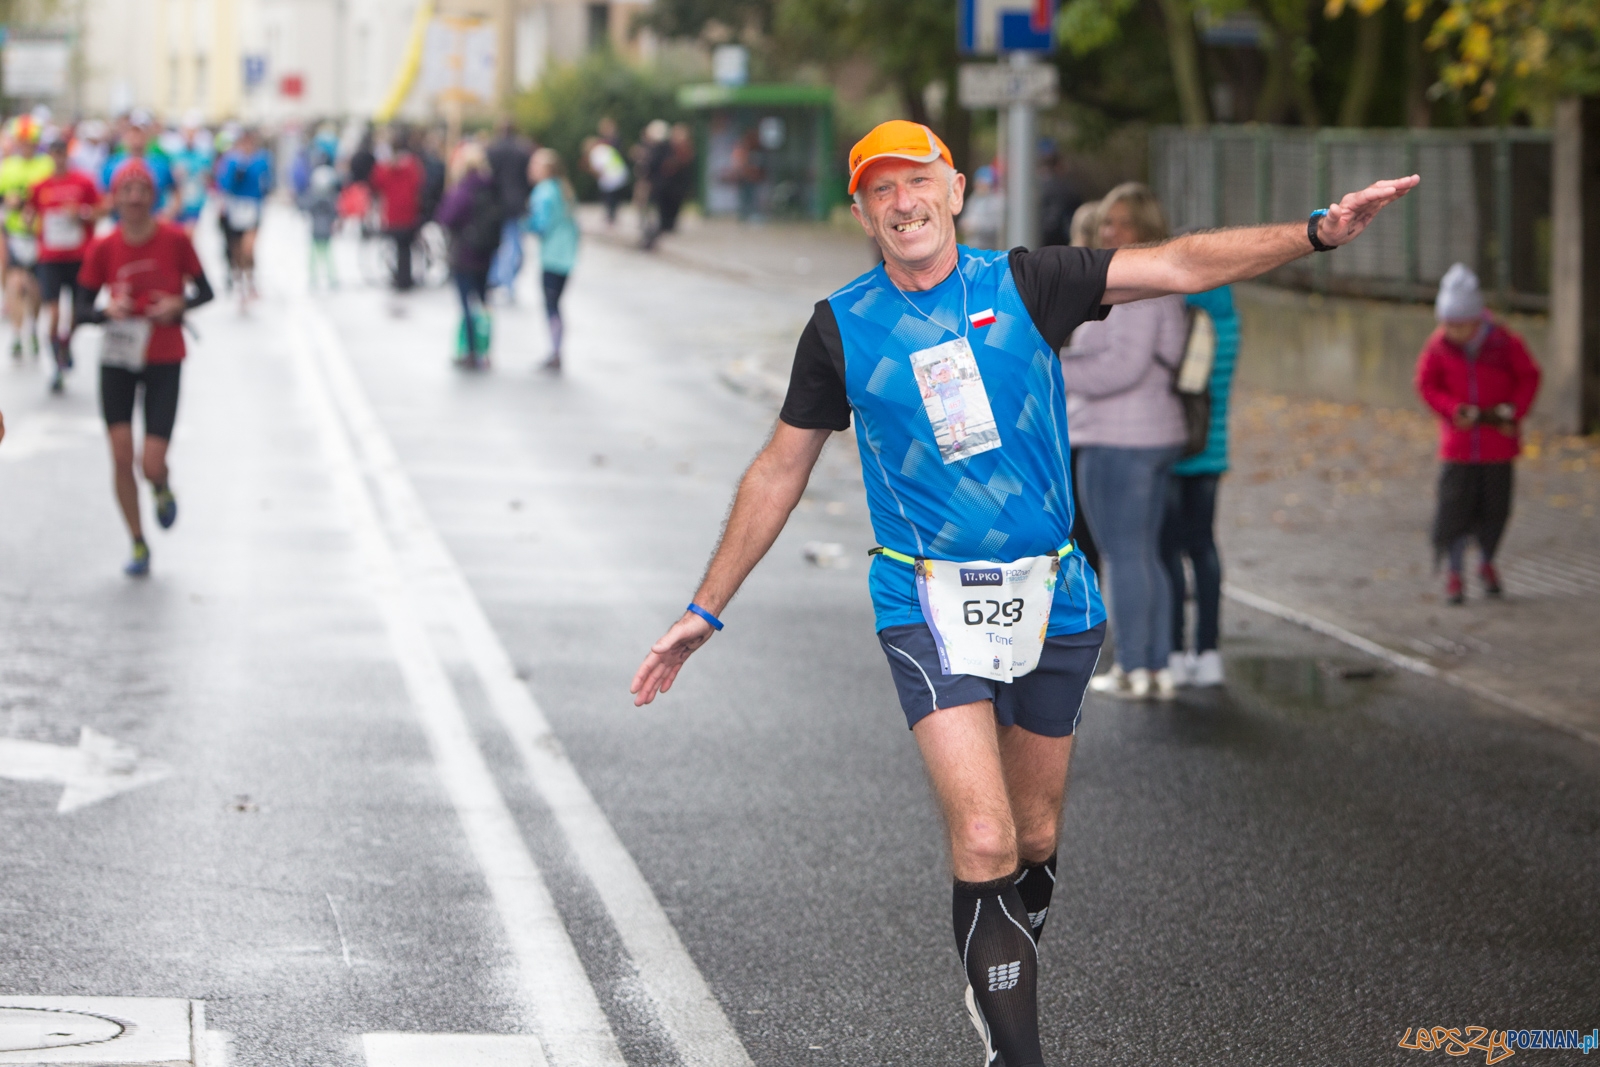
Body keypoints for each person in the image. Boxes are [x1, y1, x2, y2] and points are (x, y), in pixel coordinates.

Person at [629, 119, 1415, 1067]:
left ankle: (996, 967)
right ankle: (1018, 1051)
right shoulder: (839, 325)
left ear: (956, 189)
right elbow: (778, 469)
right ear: (861, 211)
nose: (903, 202)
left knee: (1034, 837)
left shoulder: (1028, 284)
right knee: (987, 833)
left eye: (917, 181)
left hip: (1055, 595)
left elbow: (1175, 266)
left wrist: (1319, 230)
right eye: (880, 190)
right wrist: (703, 609)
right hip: (924, 598)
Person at [1060, 184, 1190, 701]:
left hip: (1120, 437)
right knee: (1147, 553)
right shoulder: (1168, 280)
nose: (1108, 231)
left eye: (1121, 223)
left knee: (1125, 555)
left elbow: (1123, 367)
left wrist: (1057, 368)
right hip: (1153, 435)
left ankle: (1134, 665)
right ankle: (1155, 665)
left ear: (1145, 228)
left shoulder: (1138, 285)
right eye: (1106, 223)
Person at [75, 159, 214, 577]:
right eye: (126, 190)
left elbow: (207, 291)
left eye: (142, 190)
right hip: (118, 359)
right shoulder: (103, 246)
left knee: (149, 463)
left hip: (164, 357)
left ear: (153, 198)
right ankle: (138, 542)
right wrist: (105, 312)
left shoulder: (175, 240)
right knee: (120, 457)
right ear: (115, 198)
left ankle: (161, 485)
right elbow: (81, 308)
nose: (134, 198)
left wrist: (179, 304)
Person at [1415, 263, 1540, 605]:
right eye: (1447, 323)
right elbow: (1426, 385)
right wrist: (1452, 410)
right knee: (1453, 512)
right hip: (1458, 448)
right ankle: (1454, 572)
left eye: (1459, 324)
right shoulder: (1438, 346)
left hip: (1498, 446)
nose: (1451, 330)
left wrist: (1513, 410)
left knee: (1494, 511)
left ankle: (1486, 561)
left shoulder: (1505, 342)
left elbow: (1529, 376)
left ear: (1476, 319)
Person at [1159, 282, 1239, 687]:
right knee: (1204, 546)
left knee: (1169, 550)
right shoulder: (1228, 318)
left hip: (1174, 449)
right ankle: (1209, 652)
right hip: (1212, 451)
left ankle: (1173, 651)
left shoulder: (1179, 313)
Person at [28, 136, 103, 392]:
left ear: (67, 155)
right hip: (50, 257)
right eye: (54, 152)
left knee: (76, 313)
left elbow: (101, 209)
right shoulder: (40, 186)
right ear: (50, 155)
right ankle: (57, 361)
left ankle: (66, 343)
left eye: (62, 152)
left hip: (79, 256)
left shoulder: (83, 181)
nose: (59, 157)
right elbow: (31, 215)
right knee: (54, 312)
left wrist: (81, 214)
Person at [435, 142, 501, 369]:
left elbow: (446, 217)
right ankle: (485, 348)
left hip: (465, 252)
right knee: (483, 303)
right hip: (487, 253)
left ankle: (471, 350)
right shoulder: (491, 187)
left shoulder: (463, 190)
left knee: (467, 304)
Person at [1, 117, 54, 360]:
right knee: (14, 284)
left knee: (34, 289)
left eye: (30, 142)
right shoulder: (7, 167)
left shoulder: (46, 165)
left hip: (40, 235)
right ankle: (16, 333)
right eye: (22, 142)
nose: (26, 146)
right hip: (15, 234)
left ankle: (32, 326)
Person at [526, 147, 579, 373]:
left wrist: (523, 223)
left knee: (551, 305)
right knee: (556, 304)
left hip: (552, 256)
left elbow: (540, 225)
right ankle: (557, 350)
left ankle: (555, 352)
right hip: (567, 255)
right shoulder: (563, 189)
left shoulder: (543, 192)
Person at [215, 128, 273, 306]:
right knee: (236, 249)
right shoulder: (230, 159)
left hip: (252, 207)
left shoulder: (262, 159)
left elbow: (268, 182)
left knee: (249, 248)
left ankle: (250, 280)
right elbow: (223, 184)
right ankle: (239, 281)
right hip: (234, 207)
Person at [369, 128, 426, 295]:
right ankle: (405, 278)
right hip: (409, 212)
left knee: (397, 248)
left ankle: (400, 278)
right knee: (405, 249)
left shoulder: (385, 167)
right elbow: (419, 184)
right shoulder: (412, 165)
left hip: (393, 214)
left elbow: (377, 183)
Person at [487, 120, 533, 300]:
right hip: (517, 203)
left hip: (497, 203)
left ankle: (495, 278)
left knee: (497, 243)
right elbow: (528, 179)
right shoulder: (522, 151)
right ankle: (509, 282)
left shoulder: (493, 150)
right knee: (514, 244)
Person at [644, 123, 695, 250]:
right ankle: (664, 226)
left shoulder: (684, 149)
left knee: (674, 205)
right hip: (663, 184)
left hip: (676, 185)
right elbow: (655, 165)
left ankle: (670, 226)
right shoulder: (664, 148)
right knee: (663, 206)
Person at [303, 161, 341, 291]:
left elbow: (306, 207)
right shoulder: (329, 198)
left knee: (319, 256)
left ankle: (317, 277)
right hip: (323, 231)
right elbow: (335, 212)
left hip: (317, 230)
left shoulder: (316, 197)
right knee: (324, 255)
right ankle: (326, 277)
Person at [582, 134, 630, 226]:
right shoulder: (605, 148)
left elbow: (598, 170)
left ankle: (610, 218)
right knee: (615, 198)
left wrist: (588, 169)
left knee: (608, 199)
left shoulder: (596, 152)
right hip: (620, 174)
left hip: (610, 177)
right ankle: (612, 217)